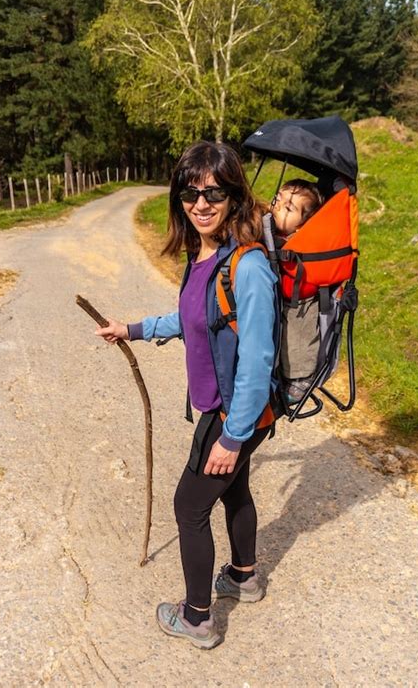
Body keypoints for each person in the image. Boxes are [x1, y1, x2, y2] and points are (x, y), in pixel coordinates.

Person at [95, 141, 278, 649]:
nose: (201, 203)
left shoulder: (248, 267)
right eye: (190, 192)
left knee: (189, 507)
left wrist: (233, 436)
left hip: (237, 412)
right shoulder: (206, 258)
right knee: (234, 490)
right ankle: (244, 577)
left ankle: (197, 616)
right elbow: (194, 317)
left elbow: (259, 359)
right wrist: (132, 329)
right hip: (232, 412)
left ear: (234, 196)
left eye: (214, 192)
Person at [271, 179, 325, 403]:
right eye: (277, 199)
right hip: (282, 301)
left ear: (302, 225)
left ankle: (301, 377)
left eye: (289, 207)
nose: (277, 206)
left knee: (297, 337)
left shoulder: (302, 244)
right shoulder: (272, 229)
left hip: (299, 305)